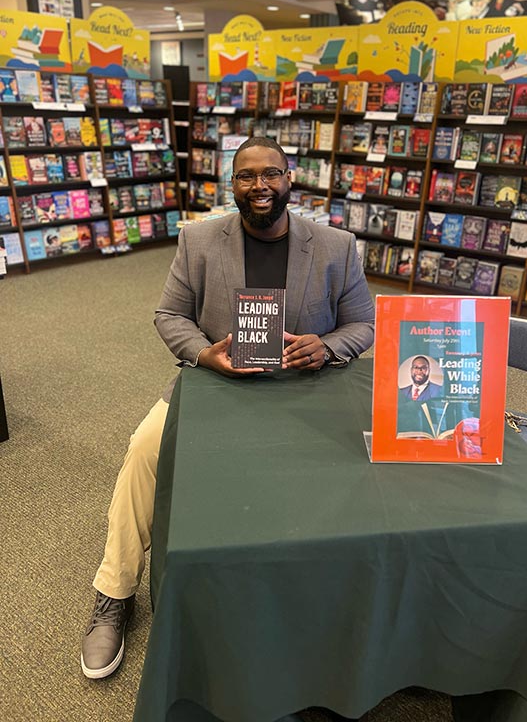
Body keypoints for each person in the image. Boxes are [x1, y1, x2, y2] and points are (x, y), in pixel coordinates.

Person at [81, 136, 375, 680]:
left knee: (361, 467)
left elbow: (364, 324)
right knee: (143, 450)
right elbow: (169, 315)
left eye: (271, 174)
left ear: (291, 180)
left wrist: (328, 345)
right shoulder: (198, 239)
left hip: (304, 387)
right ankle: (114, 592)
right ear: (232, 183)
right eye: (246, 176)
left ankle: (340, 612)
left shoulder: (336, 245)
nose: (259, 185)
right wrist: (203, 354)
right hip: (218, 384)